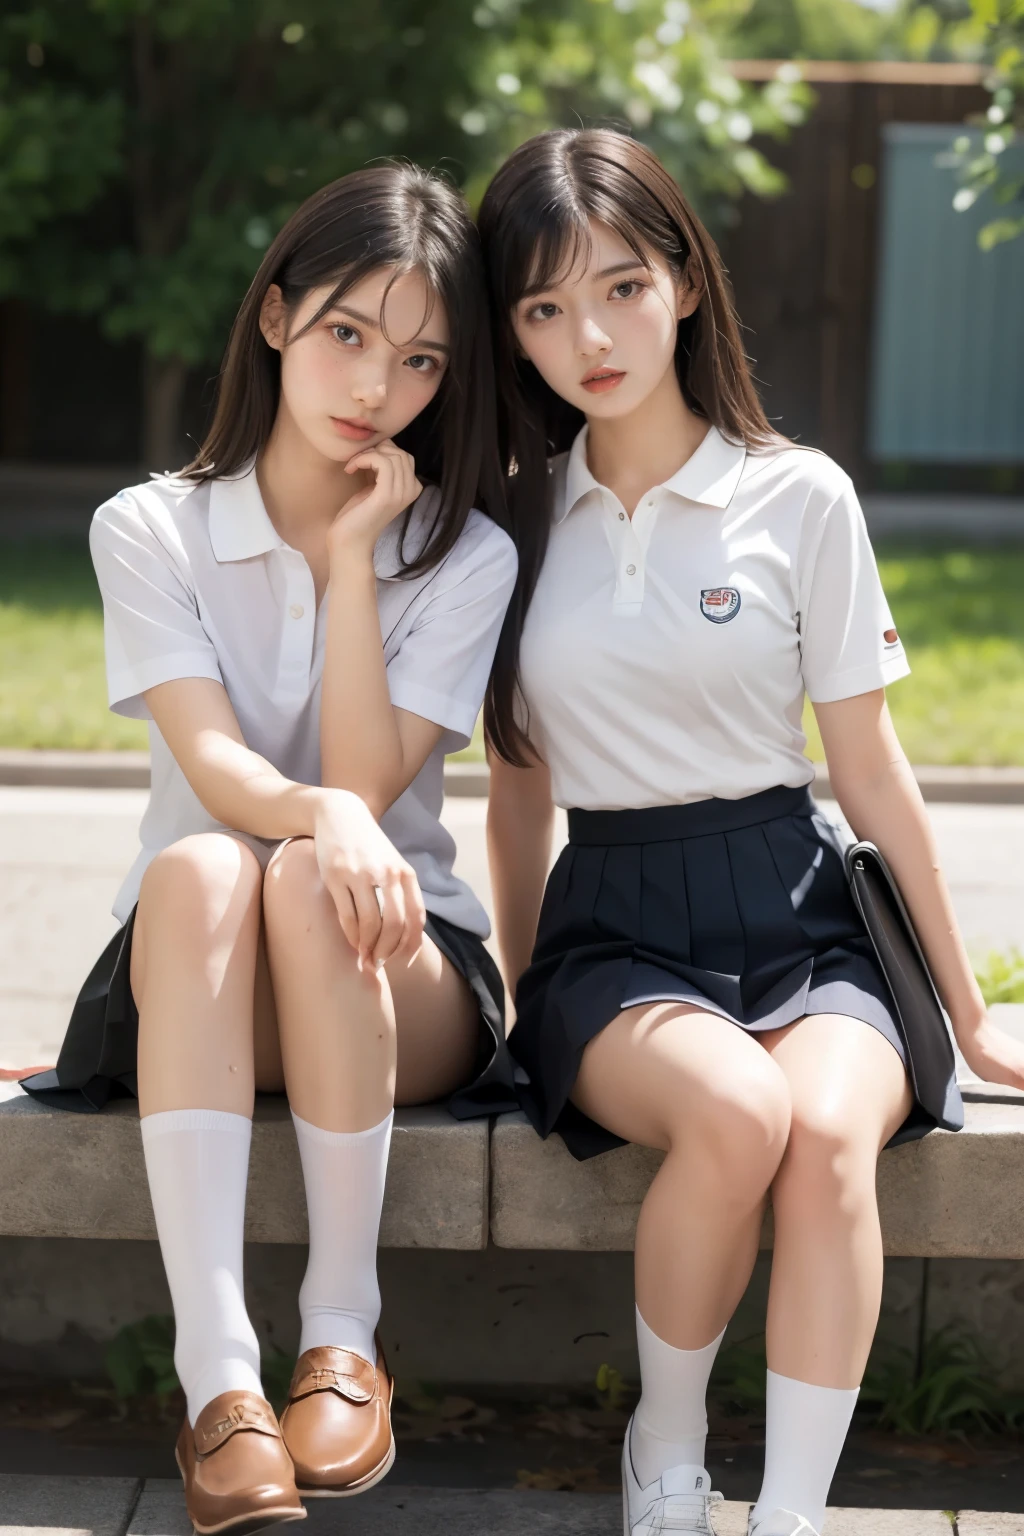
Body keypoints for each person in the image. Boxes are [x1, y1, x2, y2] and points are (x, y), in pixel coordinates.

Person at [478, 128, 1024, 1536]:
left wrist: (965, 1010)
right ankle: (665, 1443)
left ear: (685, 283)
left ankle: (787, 1515)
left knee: (828, 1136)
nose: (587, 336)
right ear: (513, 334)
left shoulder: (803, 495)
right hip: (613, 926)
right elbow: (521, 787)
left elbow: (875, 770)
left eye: (618, 288)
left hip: (801, 910)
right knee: (736, 1113)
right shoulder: (513, 520)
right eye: (542, 307)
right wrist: (529, 1007)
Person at [23, 164, 518, 1532]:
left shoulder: (462, 554)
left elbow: (361, 782)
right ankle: (218, 1378)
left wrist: (358, 559)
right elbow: (222, 768)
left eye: (420, 360)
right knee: (201, 861)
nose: (377, 384)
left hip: (400, 972)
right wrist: (320, 815)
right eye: (350, 333)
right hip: (200, 976)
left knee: (310, 871)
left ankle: (343, 1335)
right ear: (277, 317)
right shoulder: (154, 526)